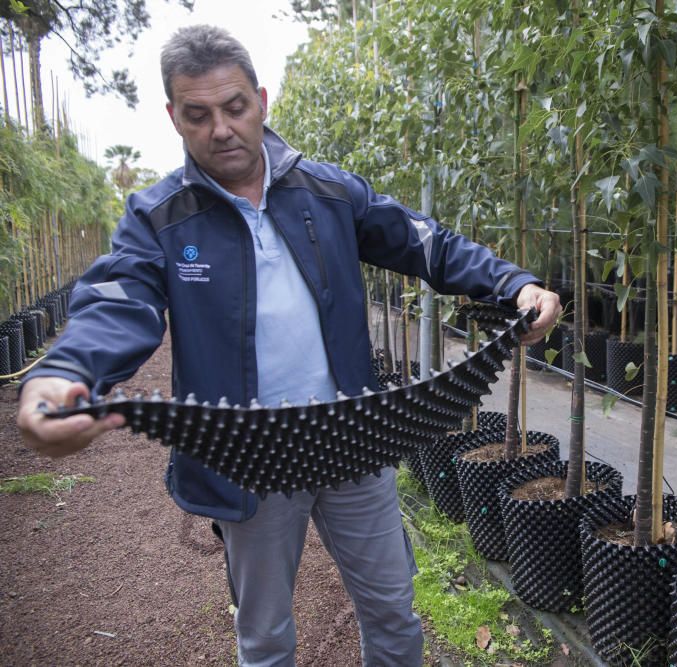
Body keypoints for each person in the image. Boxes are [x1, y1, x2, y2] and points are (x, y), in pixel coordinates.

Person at [16, 24, 560, 667]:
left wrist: (513, 282)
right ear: (174, 118)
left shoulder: (325, 192)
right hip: (251, 456)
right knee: (266, 635)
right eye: (199, 114)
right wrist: (65, 372)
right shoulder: (160, 217)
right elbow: (118, 299)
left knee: (392, 612)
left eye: (235, 107)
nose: (221, 128)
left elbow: (425, 243)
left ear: (262, 100)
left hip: (354, 439)